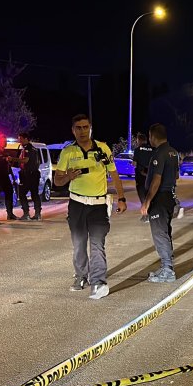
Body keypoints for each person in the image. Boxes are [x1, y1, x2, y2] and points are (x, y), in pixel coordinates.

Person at [53, 114, 128, 300]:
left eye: (85, 127)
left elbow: (114, 175)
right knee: (79, 244)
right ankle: (81, 277)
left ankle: (99, 281)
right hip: (77, 204)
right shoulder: (68, 152)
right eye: (78, 128)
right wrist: (68, 176)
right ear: (73, 130)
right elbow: (57, 180)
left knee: (97, 245)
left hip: (98, 206)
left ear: (91, 128)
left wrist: (122, 198)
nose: (82, 131)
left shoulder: (102, 149)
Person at [140, 123, 180, 283]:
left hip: (160, 198)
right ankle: (166, 266)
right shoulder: (173, 152)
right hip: (169, 196)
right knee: (165, 232)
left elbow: (156, 180)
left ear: (152, 136)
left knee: (159, 233)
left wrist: (147, 201)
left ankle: (167, 270)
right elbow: (175, 176)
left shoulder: (159, 154)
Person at [16, 132, 41, 221]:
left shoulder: (28, 149)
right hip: (33, 174)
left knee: (22, 194)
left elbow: (25, 160)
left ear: (26, 139)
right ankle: (37, 214)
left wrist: (13, 159)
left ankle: (26, 213)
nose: (19, 141)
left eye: (21, 139)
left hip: (28, 175)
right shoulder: (34, 149)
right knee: (34, 194)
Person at [132, 132, 154, 223]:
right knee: (150, 195)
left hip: (140, 176)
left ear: (139, 140)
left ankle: (145, 215)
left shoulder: (137, 150)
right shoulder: (153, 149)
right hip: (150, 175)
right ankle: (152, 214)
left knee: (142, 196)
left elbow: (134, 163)